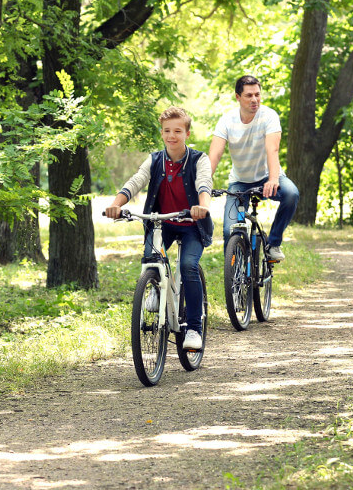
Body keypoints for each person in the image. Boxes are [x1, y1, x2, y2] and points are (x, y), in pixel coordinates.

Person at [105, 107, 214, 350]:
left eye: (177, 131)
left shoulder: (199, 159)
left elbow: (204, 183)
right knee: (150, 259)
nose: (171, 136)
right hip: (162, 222)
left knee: (188, 266)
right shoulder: (155, 160)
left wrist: (202, 206)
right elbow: (136, 181)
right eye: (167, 131)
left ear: (186, 133)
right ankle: (155, 286)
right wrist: (115, 204)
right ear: (161, 132)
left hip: (190, 224)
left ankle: (194, 329)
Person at [208, 75, 299, 261]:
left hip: (268, 176)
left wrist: (273, 179)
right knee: (229, 230)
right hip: (240, 182)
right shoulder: (226, 120)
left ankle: (273, 243)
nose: (254, 99)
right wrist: (204, 183)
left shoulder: (269, 116)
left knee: (291, 194)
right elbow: (215, 155)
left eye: (257, 94)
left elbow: (272, 149)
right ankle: (235, 276)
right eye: (249, 95)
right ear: (237, 97)